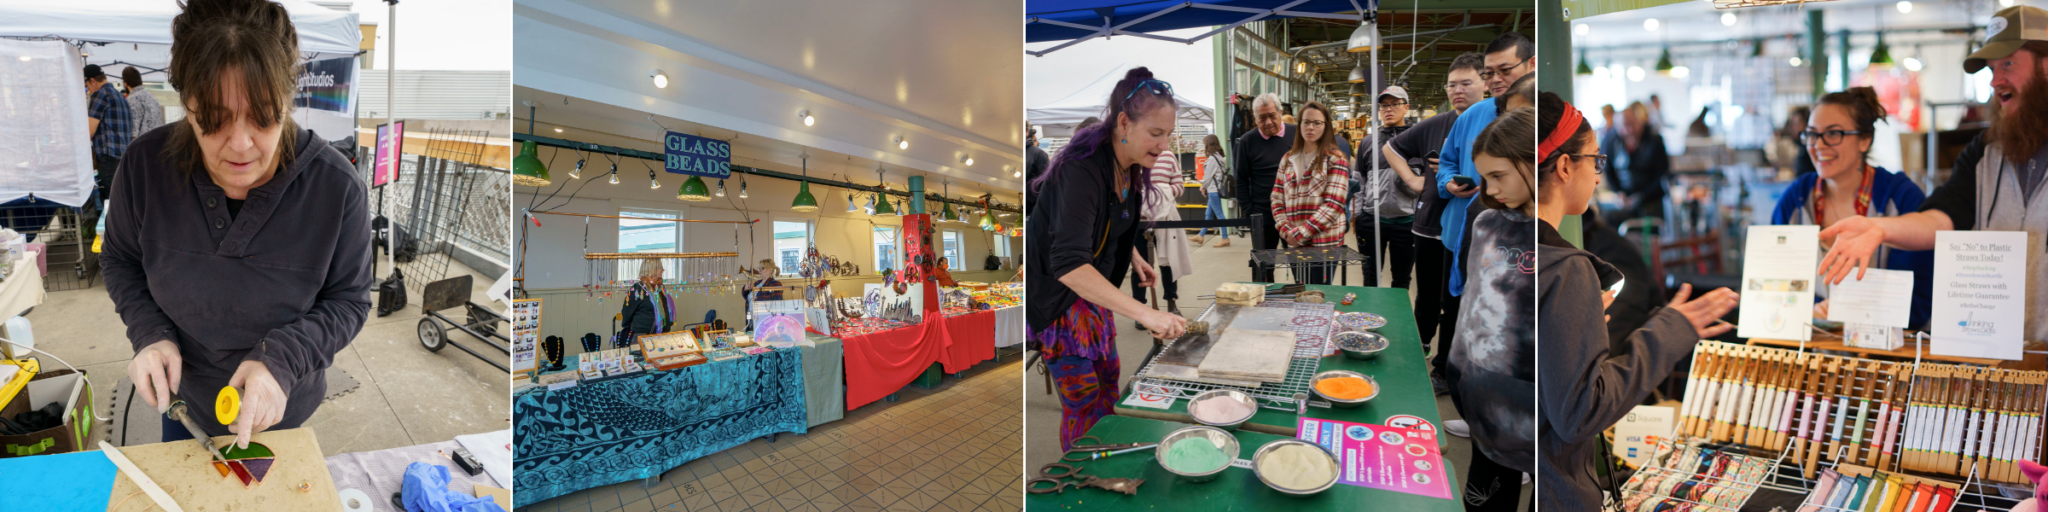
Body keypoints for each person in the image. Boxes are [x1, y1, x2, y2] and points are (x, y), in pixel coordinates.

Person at [109, 0, 372, 447]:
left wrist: (282, 360)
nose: (240, 145)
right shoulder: (144, 167)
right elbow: (120, 260)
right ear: (185, 103)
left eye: (264, 116)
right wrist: (150, 334)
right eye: (212, 119)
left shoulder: (337, 187)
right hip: (183, 395)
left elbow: (349, 300)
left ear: (289, 100)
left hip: (281, 400)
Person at [1535, 91, 1740, 511]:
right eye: (1596, 161)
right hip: (1559, 486)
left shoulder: (1496, 239)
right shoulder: (1567, 268)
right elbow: (1579, 414)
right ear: (1564, 166)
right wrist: (1668, 333)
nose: (1597, 177)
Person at [1822, 5, 2048, 342]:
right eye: (1991, 68)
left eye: (2009, 64)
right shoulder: (1985, 152)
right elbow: (1942, 219)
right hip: (2004, 357)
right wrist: (1878, 227)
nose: (1995, 80)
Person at [1027, 67, 1188, 451]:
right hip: (1058, 300)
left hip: (1091, 297)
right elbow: (1067, 261)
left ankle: (1105, 459)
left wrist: (1132, 255)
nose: (1164, 145)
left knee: (1109, 386)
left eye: (1168, 135)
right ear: (1123, 123)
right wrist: (1146, 313)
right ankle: (1081, 476)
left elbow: (1105, 223)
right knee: (1082, 400)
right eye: (1156, 133)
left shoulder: (1129, 167)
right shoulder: (1080, 168)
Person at [1433, 32, 1532, 433]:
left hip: (1517, 249)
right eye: (1488, 73)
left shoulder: (1539, 116)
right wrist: (1449, 183)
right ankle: (1479, 419)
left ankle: (1510, 434)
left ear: (1530, 65)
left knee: (1509, 339)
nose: (1494, 80)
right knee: (1467, 327)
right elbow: (1443, 166)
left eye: (1503, 70)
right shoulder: (1471, 117)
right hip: (1464, 237)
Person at [1770, 87, 1933, 330]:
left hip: (1888, 357)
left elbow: (1918, 300)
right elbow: (1774, 282)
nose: (1818, 145)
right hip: (1814, 352)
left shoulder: (1901, 198)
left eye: (1833, 133)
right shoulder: (1796, 199)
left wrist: (1843, 310)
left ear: (1865, 139)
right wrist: (1807, 308)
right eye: (1812, 134)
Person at [1386, 52, 1486, 391]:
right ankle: (1421, 349)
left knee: (1455, 298)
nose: (1457, 90)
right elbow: (1393, 149)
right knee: (1427, 294)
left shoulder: (1494, 122)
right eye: (1451, 84)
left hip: (1474, 230)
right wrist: (1417, 182)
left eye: (1466, 83)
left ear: (1484, 83)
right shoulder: (1435, 124)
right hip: (1430, 225)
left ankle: (1449, 363)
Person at [1271, 101, 1350, 285]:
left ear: (1326, 126)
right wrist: (1285, 229)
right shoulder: (1288, 159)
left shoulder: (1335, 159)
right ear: (1299, 125)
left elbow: (1334, 205)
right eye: (1306, 122)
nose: (1311, 127)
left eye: (1317, 123)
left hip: (1324, 243)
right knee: (1299, 291)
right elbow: (1277, 197)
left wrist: (1301, 234)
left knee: (1319, 294)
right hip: (1293, 241)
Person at [1234, 93, 1298, 282]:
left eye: (1272, 115)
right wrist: (1251, 213)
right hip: (1263, 218)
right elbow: (1241, 181)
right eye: (1262, 118)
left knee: (1300, 267)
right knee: (1263, 271)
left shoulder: (1297, 134)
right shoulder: (1247, 141)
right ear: (1255, 119)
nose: (1268, 122)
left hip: (1294, 217)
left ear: (1280, 113)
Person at [1357, 86, 1416, 290]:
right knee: (1371, 277)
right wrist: (1358, 215)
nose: (1388, 109)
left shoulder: (1417, 139)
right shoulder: (1367, 142)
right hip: (1372, 220)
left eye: (1394, 104)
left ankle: (1398, 319)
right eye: (1383, 105)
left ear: (1406, 107)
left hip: (1407, 221)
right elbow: (1359, 181)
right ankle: (1369, 318)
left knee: (1401, 278)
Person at [1135, 139, 1191, 314]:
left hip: (1166, 218)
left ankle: (1171, 302)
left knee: (1169, 261)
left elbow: (1180, 187)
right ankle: (1139, 308)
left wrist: (1159, 192)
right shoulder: (1135, 156)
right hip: (1140, 220)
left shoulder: (1168, 157)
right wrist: (1146, 194)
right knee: (1140, 265)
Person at [1605, 101, 1671, 223]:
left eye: (1632, 124)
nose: (1629, 131)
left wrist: (1641, 196)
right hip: (1623, 201)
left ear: (1640, 121)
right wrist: (1619, 193)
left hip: (1652, 202)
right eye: (1624, 127)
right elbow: (1608, 170)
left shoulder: (1654, 140)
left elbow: (1662, 174)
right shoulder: (1611, 141)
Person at [84, 63, 134, 200]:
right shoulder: (121, 98)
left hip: (109, 159)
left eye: (87, 85)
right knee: (120, 204)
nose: (88, 89)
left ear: (93, 81)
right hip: (123, 159)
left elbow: (89, 132)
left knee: (109, 205)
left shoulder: (100, 95)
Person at [621, 258, 677, 346]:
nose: (663, 270)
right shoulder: (637, 289)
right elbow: (626, 314)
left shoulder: (659, 288)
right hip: (642, 338)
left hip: (660, 337)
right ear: (651, 270)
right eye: (660, 267)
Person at [1192, 134, 1231, 247]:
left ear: (1208, 145)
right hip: (1215, 189)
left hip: (1213, 190)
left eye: (1204, 144)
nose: (1204, 146)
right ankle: (1201, 235)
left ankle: (1225, 238)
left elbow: (1208, 176)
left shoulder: (1212, 159)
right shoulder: (1219, 157)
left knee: (1219, 214)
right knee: (1208, 214)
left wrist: (1202, 186)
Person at [740, 259, 785, 331]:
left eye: (762, 268)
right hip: (752, 320)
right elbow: (748, 299)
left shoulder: (775, 284)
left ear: (771, 270)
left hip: (765, 321)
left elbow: (777, 305)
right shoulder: (757, 283)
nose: (759, 270)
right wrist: (745, 289)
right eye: (759, 268)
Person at [122, 66, 166, 139]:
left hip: (142, 146)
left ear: (125, 84)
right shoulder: (152, 98)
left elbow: (133, 132)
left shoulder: (132, 100)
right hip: (158, 143)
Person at [1027, 124, 1050, 216]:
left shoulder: (1037, 154)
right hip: (1034, 211)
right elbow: (1047, 184)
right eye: (1035, 140)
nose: (1038, 143)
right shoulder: (1039, 154)